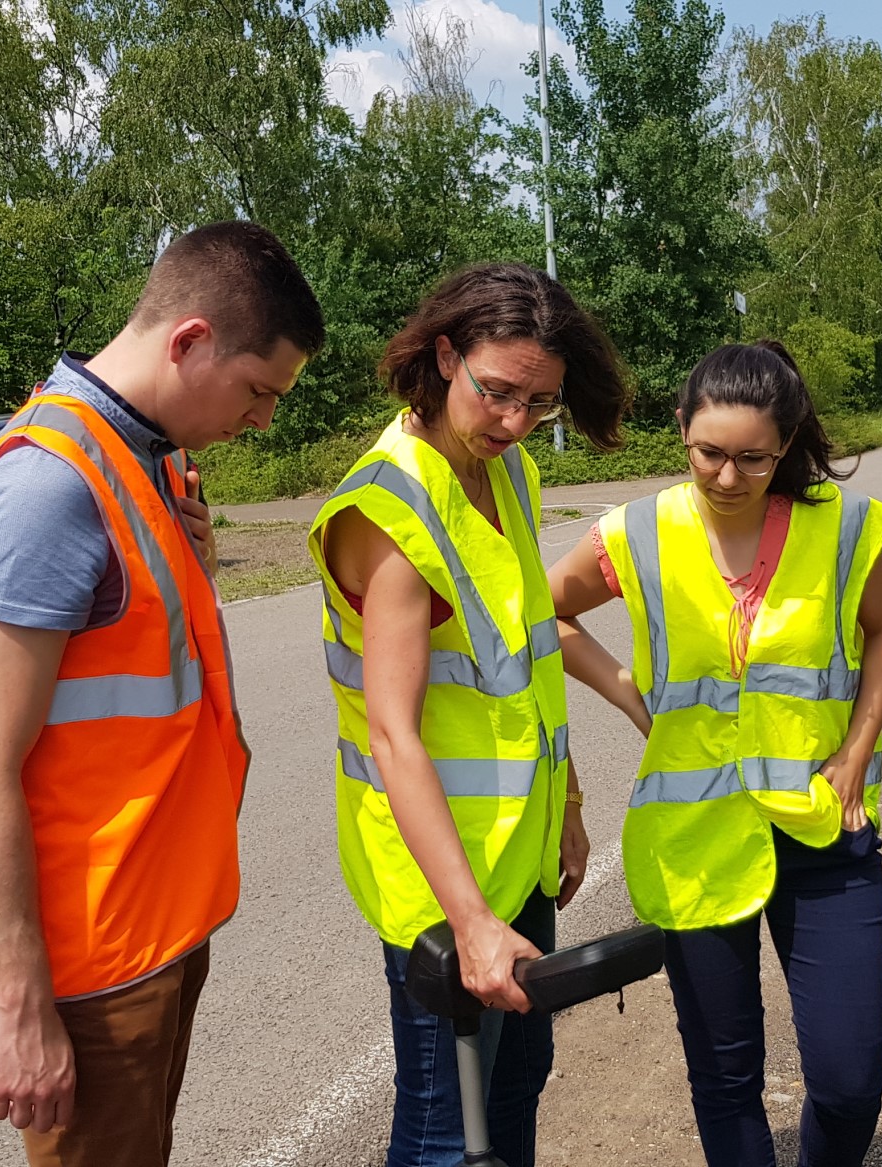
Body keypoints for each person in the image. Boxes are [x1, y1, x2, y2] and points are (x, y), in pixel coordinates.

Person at [0, 221, 324, 1166]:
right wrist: (24, 1007)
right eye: (258, 390)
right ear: (188, 341)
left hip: (149, 932)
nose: (264, 420)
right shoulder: (47, 488)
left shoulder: (141, 460)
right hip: (89, 967)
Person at [547, 340, 882, 1167]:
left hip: (824, 829)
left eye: (754, 456)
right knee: (724, 1077)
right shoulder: (638, 531)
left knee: (850, 1082)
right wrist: (632, 698)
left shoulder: (842, 526)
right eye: (708, 451)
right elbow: (546, 614)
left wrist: (858, 749)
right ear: (681, 428)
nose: (726, 475)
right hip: (695, 838)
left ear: (786, 444)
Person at [308, 262, 629, 1167]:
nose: (516, 421)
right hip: (443, 883)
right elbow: (393, 733)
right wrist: (473, 923)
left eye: (542, 402)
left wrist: (566, 805)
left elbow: (529, 653)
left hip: (519, 855)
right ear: (445, 355)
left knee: (518, 1085)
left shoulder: (510, 474)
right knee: (447, 1134)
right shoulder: (390, 512)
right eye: (497, 392)